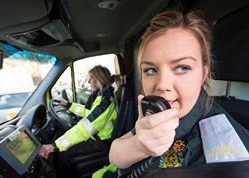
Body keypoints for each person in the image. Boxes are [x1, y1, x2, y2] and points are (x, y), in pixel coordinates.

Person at [109, 9, 249, 176]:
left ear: (203, 74)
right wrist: (139, 145)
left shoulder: (228, 148)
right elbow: (114, 155)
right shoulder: (155, 112)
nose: (162, 85)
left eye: (182, 68)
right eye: (151, 70)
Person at [39, 65, 118, 177]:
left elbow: (86, 127)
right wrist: (68, 105)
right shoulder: (101, 97)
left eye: (91, 78)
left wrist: (55, 145)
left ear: (98, 80)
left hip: (103, 142)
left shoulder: (106, 102)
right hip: (98, 137)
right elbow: (88, 113)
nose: (89, 82)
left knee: (63, 155)